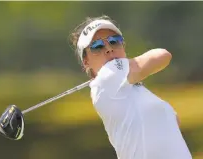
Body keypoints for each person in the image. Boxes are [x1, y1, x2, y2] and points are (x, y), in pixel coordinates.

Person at [69, 15, 192, 159]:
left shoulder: (136, 90)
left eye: (114, 41)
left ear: (123, 46)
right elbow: (162, 55)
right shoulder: (106, 78)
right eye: (97, 46)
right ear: (86, 62)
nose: (108, 49)